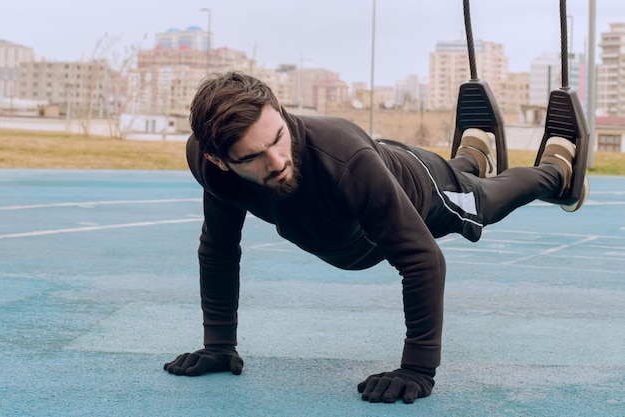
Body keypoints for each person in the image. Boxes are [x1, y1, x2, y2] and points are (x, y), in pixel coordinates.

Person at [163, 71, 588, 404]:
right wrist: (219, 344)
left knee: (480, 203)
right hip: (356, 212)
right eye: (253, 157)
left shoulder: (343, 159)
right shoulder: (206, 163)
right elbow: (218, 248)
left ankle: (556, 169)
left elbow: (423, 260)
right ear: (217, 160)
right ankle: (474, 153)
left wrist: (418, 370)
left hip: (415, 187)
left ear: (278, 106)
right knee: (464, 177)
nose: (277, 161)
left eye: (278, 139)